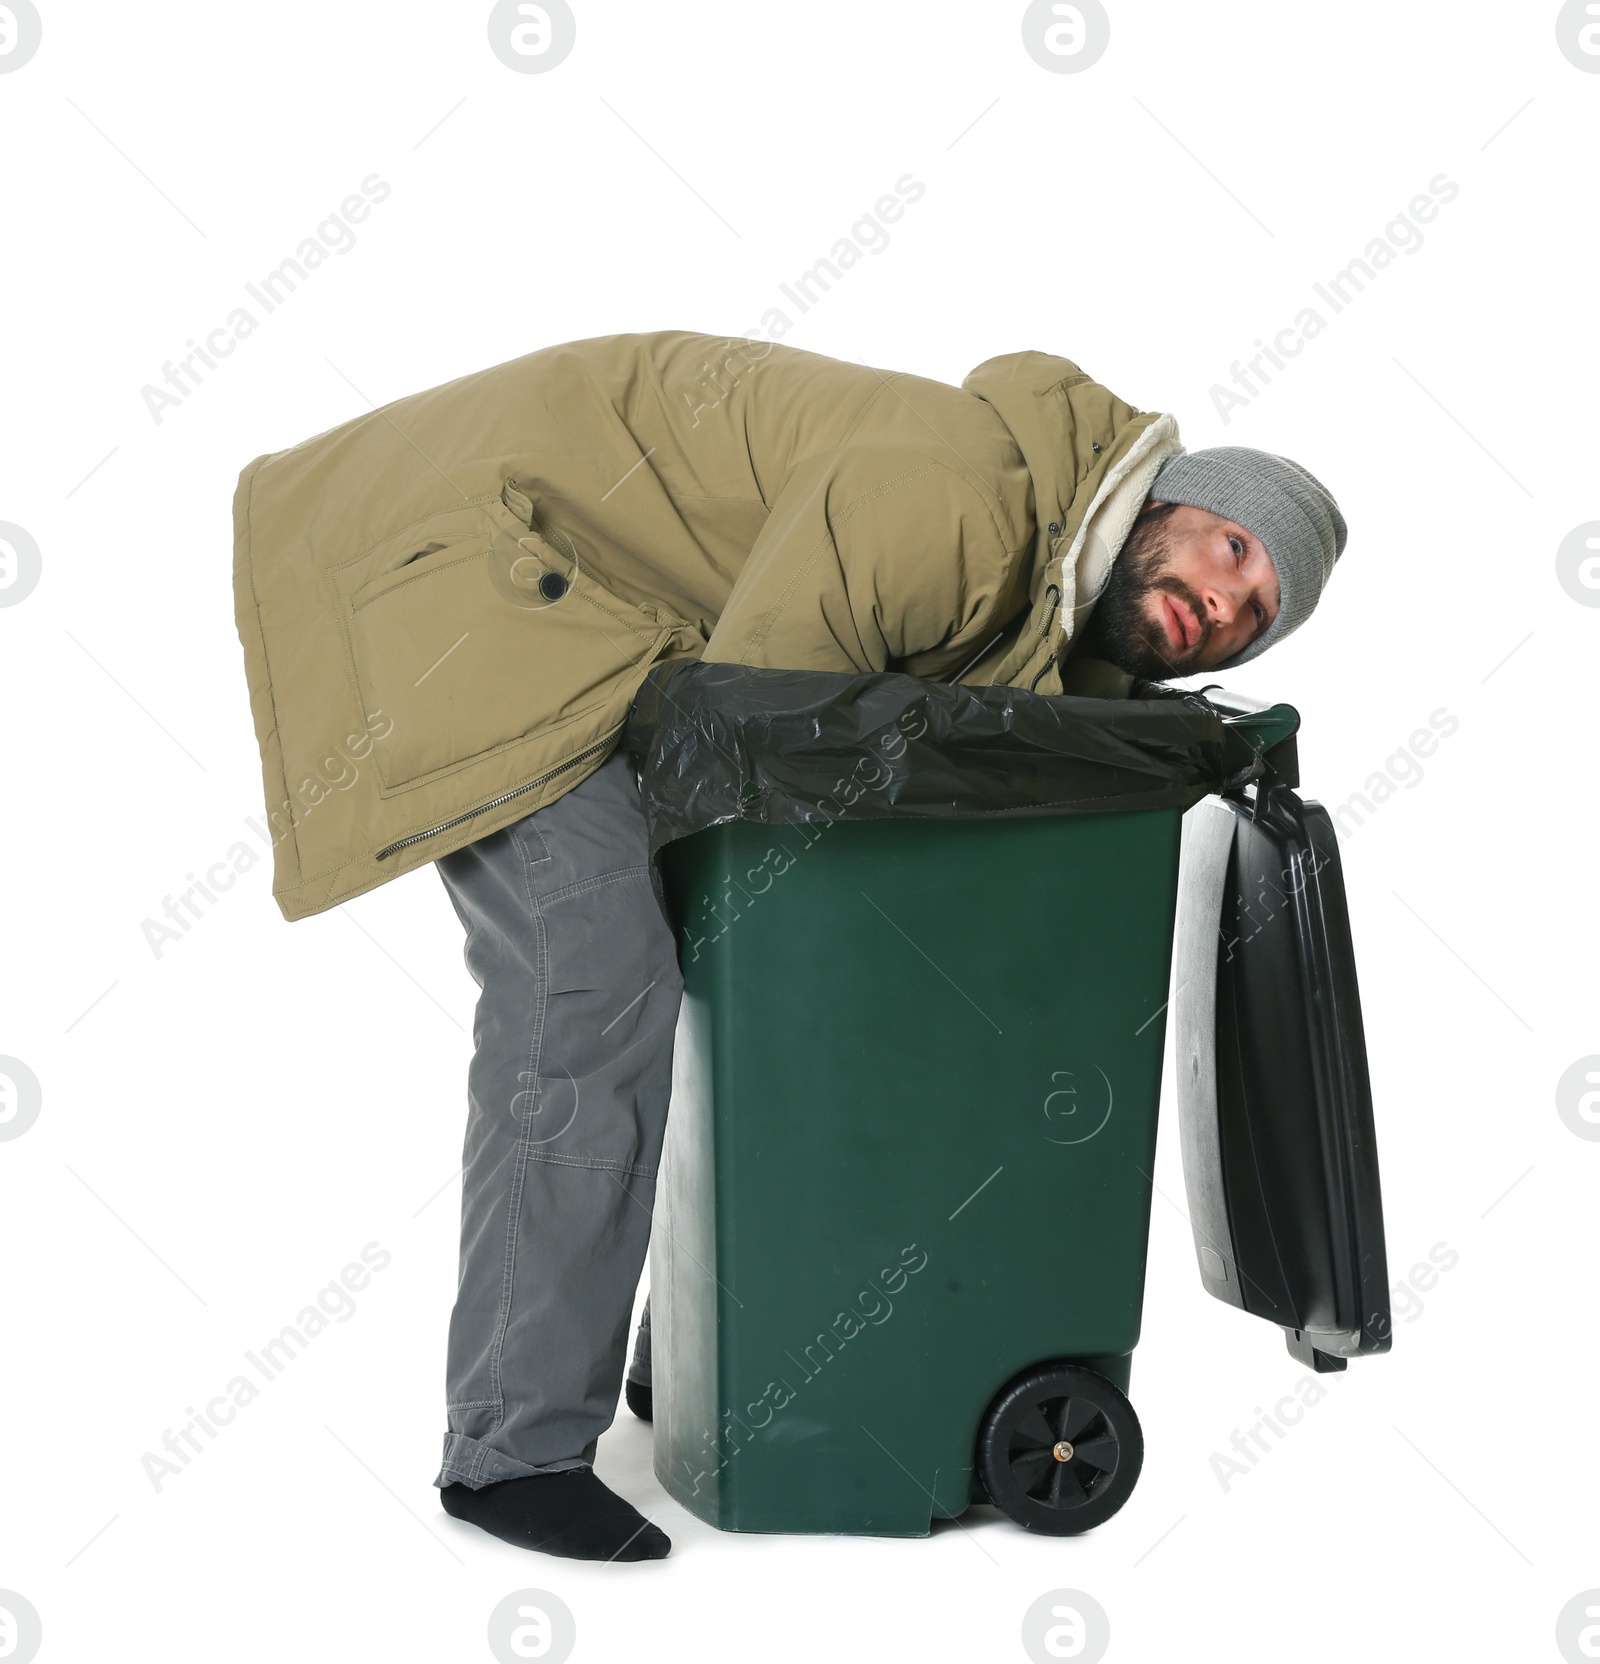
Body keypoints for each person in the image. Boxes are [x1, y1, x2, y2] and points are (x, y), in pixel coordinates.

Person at [231, 330, 1347, 1561]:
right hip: (465, 572)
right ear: (1169, 498)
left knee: (722, 967)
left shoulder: (1052, 586)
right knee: (593, 975)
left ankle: (696, 1349)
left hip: (596, 608)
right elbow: (757, 732)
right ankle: (511, 1451)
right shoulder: (963, 505)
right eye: (1231, 551)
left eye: (1254, 617)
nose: (1223, 603)